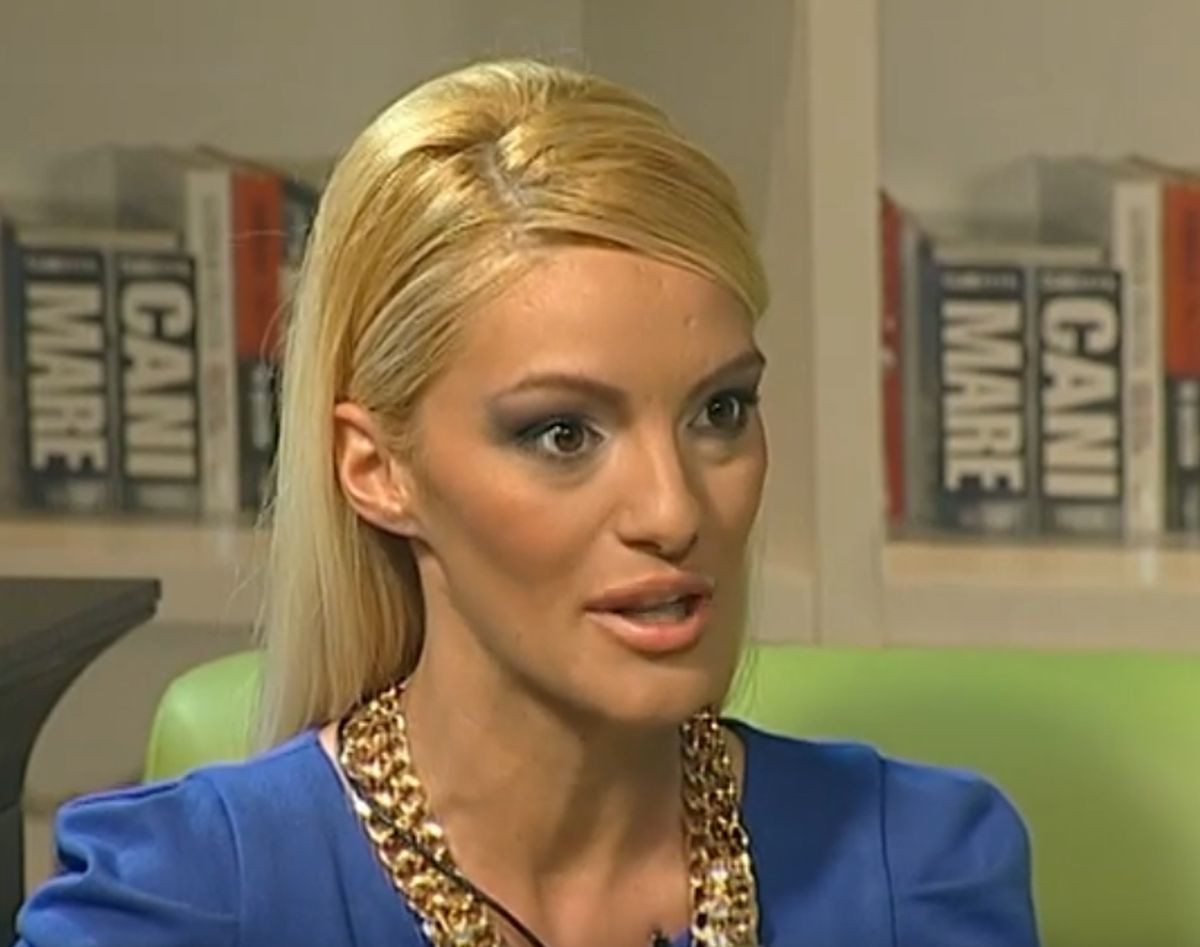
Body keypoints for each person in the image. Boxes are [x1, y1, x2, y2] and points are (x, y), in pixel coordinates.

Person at [13, 59, 1039, 947]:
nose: (673, 510)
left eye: (720, 410)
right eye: (563, 433)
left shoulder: (918, 869)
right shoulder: (180, 898)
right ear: (376, 469)